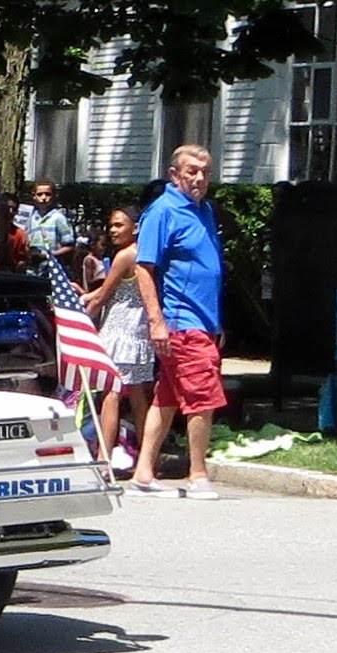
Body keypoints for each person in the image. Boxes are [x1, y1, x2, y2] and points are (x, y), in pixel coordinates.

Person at [128, 145, 225, 500]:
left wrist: (218, 323)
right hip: (180, 323)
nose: (199, 178)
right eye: (191, 171)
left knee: (167, 399)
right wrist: (157, 322)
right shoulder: (163, 211)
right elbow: (144, 267)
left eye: (205, 172)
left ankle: (142, 474)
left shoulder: (204, 211)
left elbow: (206, 270)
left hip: (204, 322)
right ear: (174, 174)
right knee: (203, 397)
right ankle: (197, 474)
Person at [81, 206, 153, 471]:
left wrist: (83, 319)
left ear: (134, 227)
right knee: (137, 395)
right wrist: (88, 295)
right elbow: (112, 287)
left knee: (110, 394)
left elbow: (103, 296)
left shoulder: (124, 256)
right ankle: (148, 456)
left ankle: (103, 457)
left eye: (119, 225)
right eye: (111, 225)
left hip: (119, 331)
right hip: (139, 331)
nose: (112, 230)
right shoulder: (145, 253)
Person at [28, 179, 75, 267]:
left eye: (48, 194)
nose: (44, 197)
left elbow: (70, 246)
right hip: (33, 269)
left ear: (54, 196)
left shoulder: (58, 218)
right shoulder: (32, 218)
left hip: (52, 268)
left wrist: (49, 255)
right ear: (34, 196)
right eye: (39, 194)